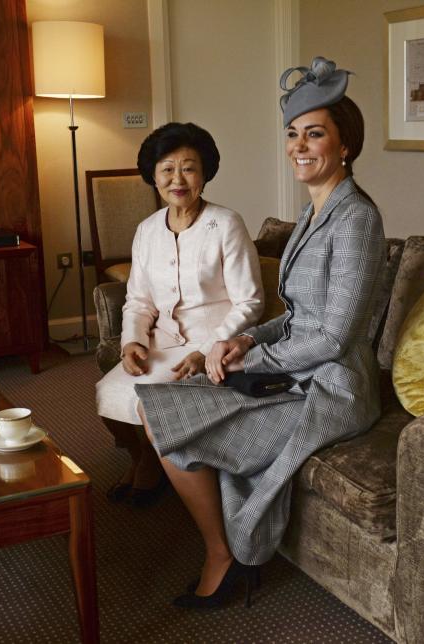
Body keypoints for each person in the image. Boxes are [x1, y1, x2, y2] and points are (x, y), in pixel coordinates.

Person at [135, 57, 386, 608]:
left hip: (333, 386)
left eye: (315, 134)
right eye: (293, 134)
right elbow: (299, 315)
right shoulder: (314, 210)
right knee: (166, 415)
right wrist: (245, 339)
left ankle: (223, 558)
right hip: (295, 368)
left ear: (346, 145)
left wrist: (252, 360)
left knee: (172, 426)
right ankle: (224, 550)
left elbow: (336, 336)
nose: (299, 145)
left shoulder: (358, 219)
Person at [95, 122, 264, 508]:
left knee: (148, 398)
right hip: (164, 340)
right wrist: (132, 341)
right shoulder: (147, 230)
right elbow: (138, 299)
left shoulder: (226, 224)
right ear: (152, 175)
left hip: (215, 345)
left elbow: (250, 302)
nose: (178, 179)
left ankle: (157, 468)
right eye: (167, 169)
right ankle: (143, 460)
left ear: (205, 173)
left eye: (189, 168)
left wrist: (207, 349)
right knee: (108, 391)